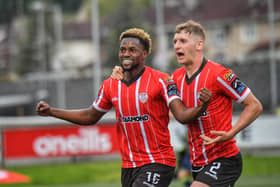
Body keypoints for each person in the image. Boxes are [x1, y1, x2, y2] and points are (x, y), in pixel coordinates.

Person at [36, 28, 212, 187]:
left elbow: (181, 115)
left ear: (144, 54)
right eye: (123, 50)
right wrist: (52, 111)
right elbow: (90, 116)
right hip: (128, 167)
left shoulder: (162, 80)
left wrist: (202, 105)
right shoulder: (110, 85)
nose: (126, 54)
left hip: (158, 162)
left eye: (132, 50)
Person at [112, 21, 263, 187]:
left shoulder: (220, 74)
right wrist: (124, 76)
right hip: (197, 163)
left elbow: (254, 105)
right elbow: (154, 95)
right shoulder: (175, 78)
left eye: (183, 41)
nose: (177, 45)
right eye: (175, 41)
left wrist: (231, 133)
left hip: (224, 159)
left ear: (199, 45)